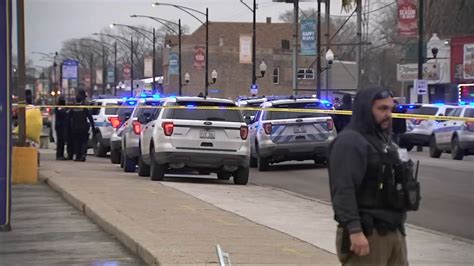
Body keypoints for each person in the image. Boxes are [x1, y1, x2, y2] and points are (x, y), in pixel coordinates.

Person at [329, 88, 414, 266]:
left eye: (390, 109)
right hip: (368, 234)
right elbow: (343, 190)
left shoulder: (385, 142)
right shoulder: (350, 142)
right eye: (382, 109)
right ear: (366, 110)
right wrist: (354, 230)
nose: (388, 114)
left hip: (393, 230)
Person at [68, 95, 94, 162]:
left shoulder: (73, 108)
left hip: (75, 128)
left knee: (76, 142)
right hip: (84, 128)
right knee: (84, 142)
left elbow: (68, 117)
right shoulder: (84, 108)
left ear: (76, 100)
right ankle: (83, 155)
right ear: (81, 100)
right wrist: (92, 126)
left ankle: (77, 156)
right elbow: (90, 117)